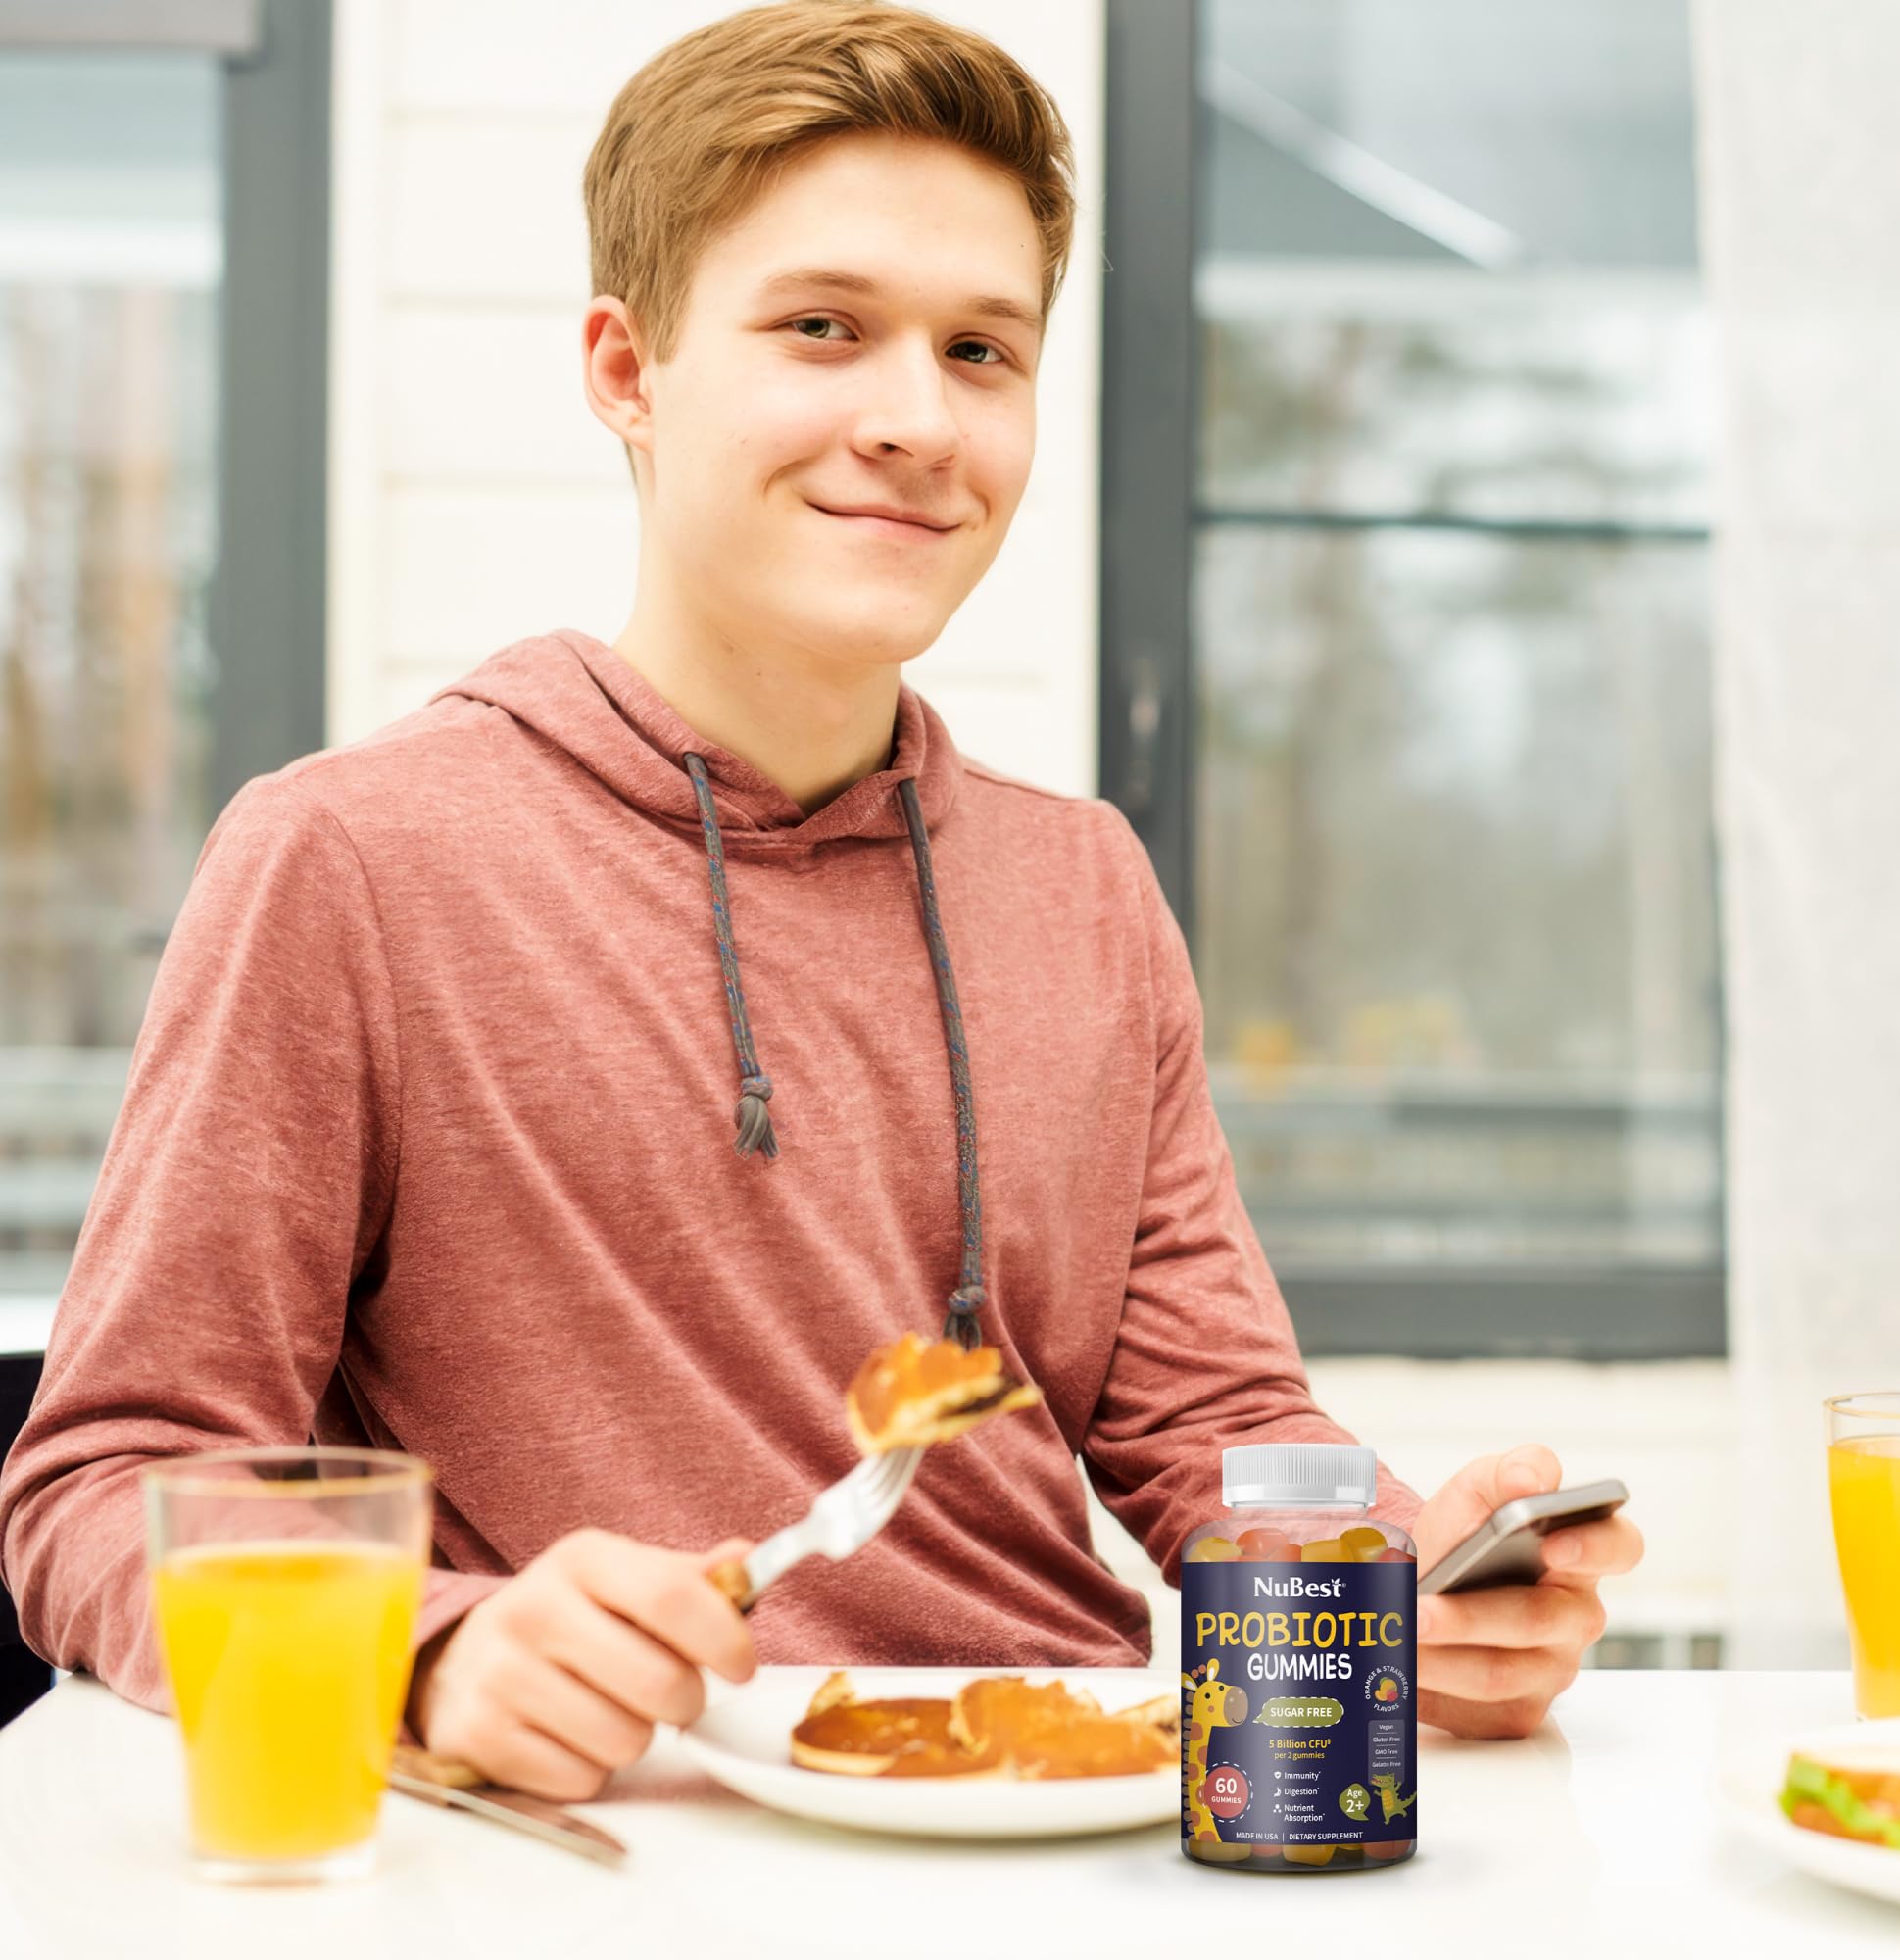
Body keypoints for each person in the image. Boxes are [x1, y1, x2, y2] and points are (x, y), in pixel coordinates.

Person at [0, 0, 1641, 1800]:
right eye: (823, 330)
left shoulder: (1084, 887)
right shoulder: (350, 862)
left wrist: (1396, 1591)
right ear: (628, 371)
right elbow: (103, 1486)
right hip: (624, 1849)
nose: (917, 420)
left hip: (1069, 1830)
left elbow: (1212, 1434)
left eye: (982, 350)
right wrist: (432, 1644)